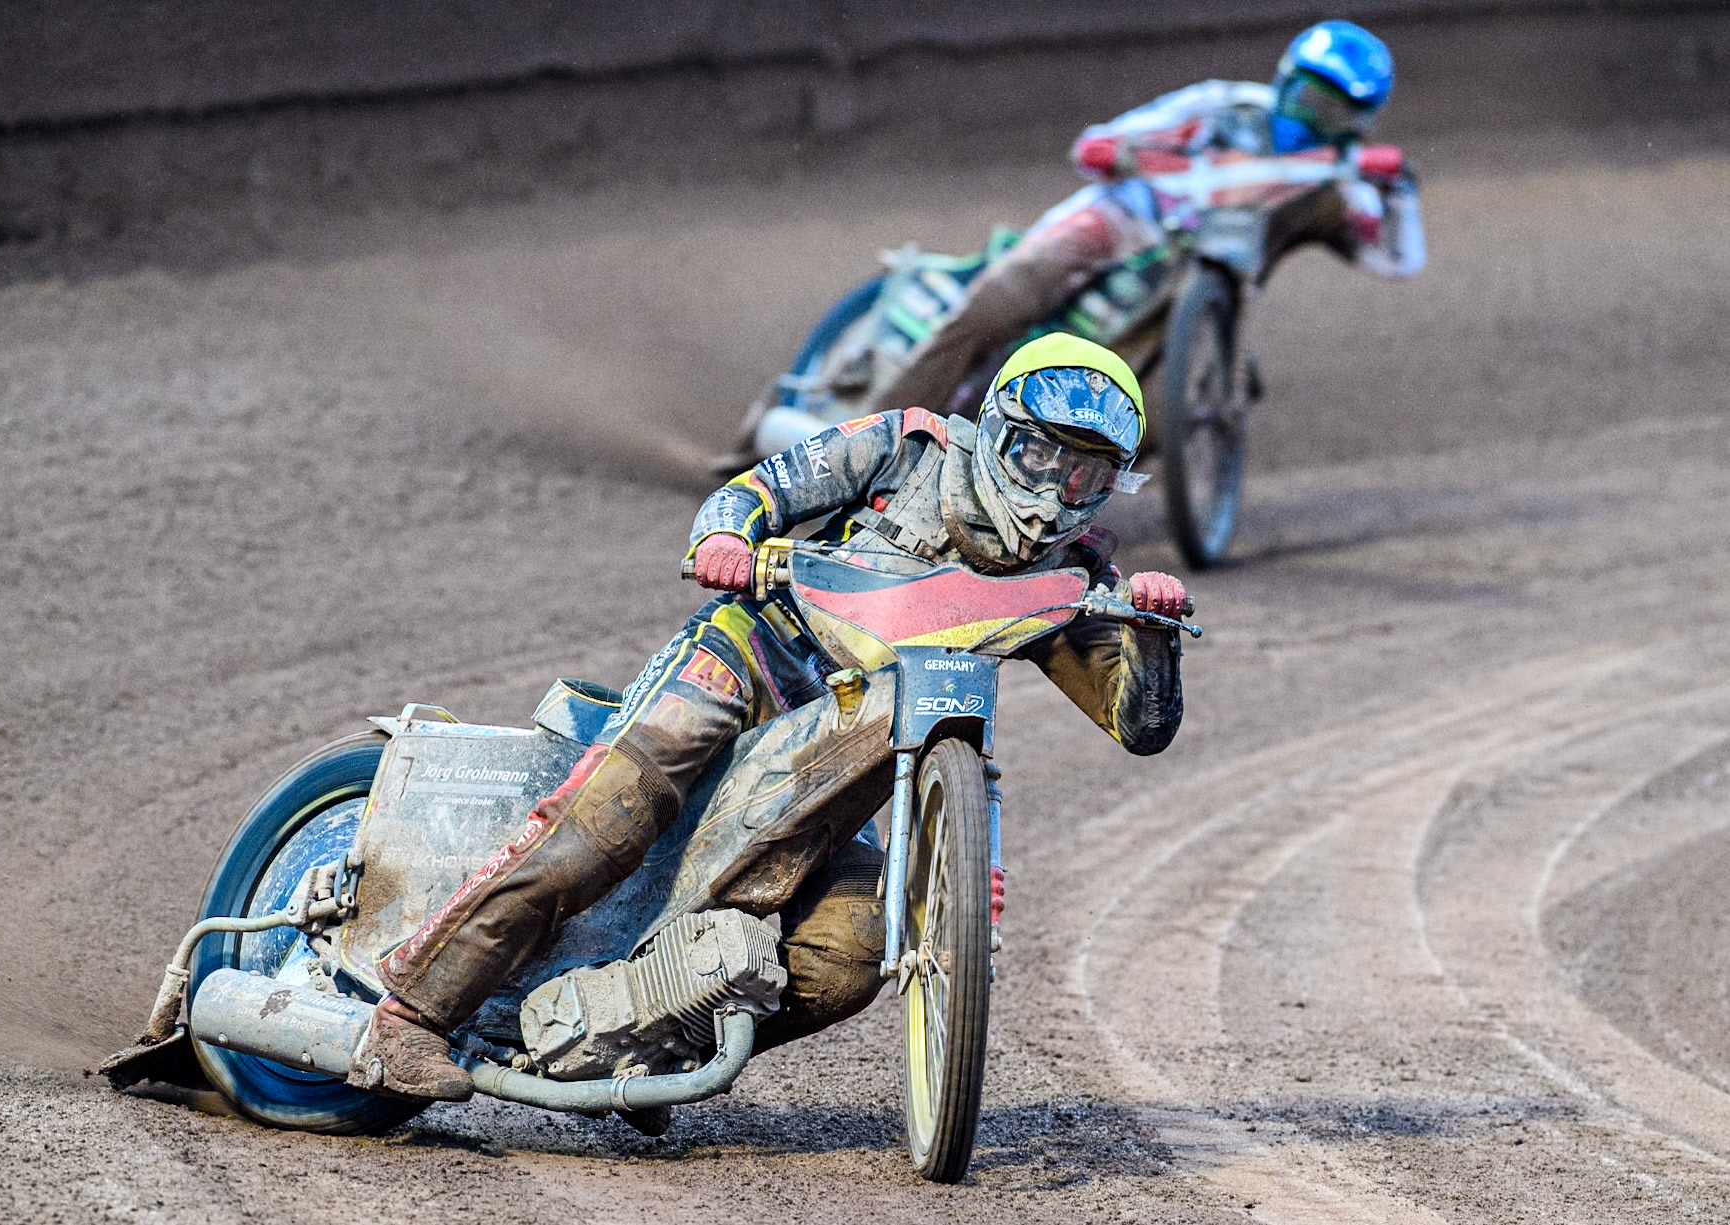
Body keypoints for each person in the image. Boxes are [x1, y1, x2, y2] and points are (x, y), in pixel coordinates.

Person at [349, 333, 1192, 1101]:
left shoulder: (1070, 575)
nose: (1052, 491)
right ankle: (410, 1016)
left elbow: (1138, 724)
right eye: (1038, 454)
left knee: (857, 944)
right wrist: (725, 538)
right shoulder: (907, 446)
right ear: (998, 425)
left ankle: (658, 1039)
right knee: (601, 824)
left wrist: (1153, 638)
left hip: (846, 761)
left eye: (1082, 474)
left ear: (1109, 484)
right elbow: (760, 490)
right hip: (746, 662)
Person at [865, 19, 1425, 420]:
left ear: (1361, 121)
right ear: (1283, 81)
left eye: (1334, 111)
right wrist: (1124, 153)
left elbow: (1396, 260)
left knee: (1157, 412)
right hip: (1119, 227)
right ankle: (873, 436)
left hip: (1194, 286)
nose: (1312, 119)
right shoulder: (1219, 107)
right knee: (998, 305)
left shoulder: (1341, 181)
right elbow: (1098, 145)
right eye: (1307, 97)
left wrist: (1401, 193)